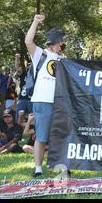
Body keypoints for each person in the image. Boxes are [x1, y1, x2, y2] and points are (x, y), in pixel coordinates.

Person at [25, 14, 67, 177]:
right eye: (62, 41)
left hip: (59, 102)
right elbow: (28, 42)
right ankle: (38, 168)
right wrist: (35, 22)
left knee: (59, 135)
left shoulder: (62, 58)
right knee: (42, 135)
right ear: (56, 42)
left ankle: (59, 165)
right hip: (42, 100)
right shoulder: (40, 54)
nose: (63, 44)